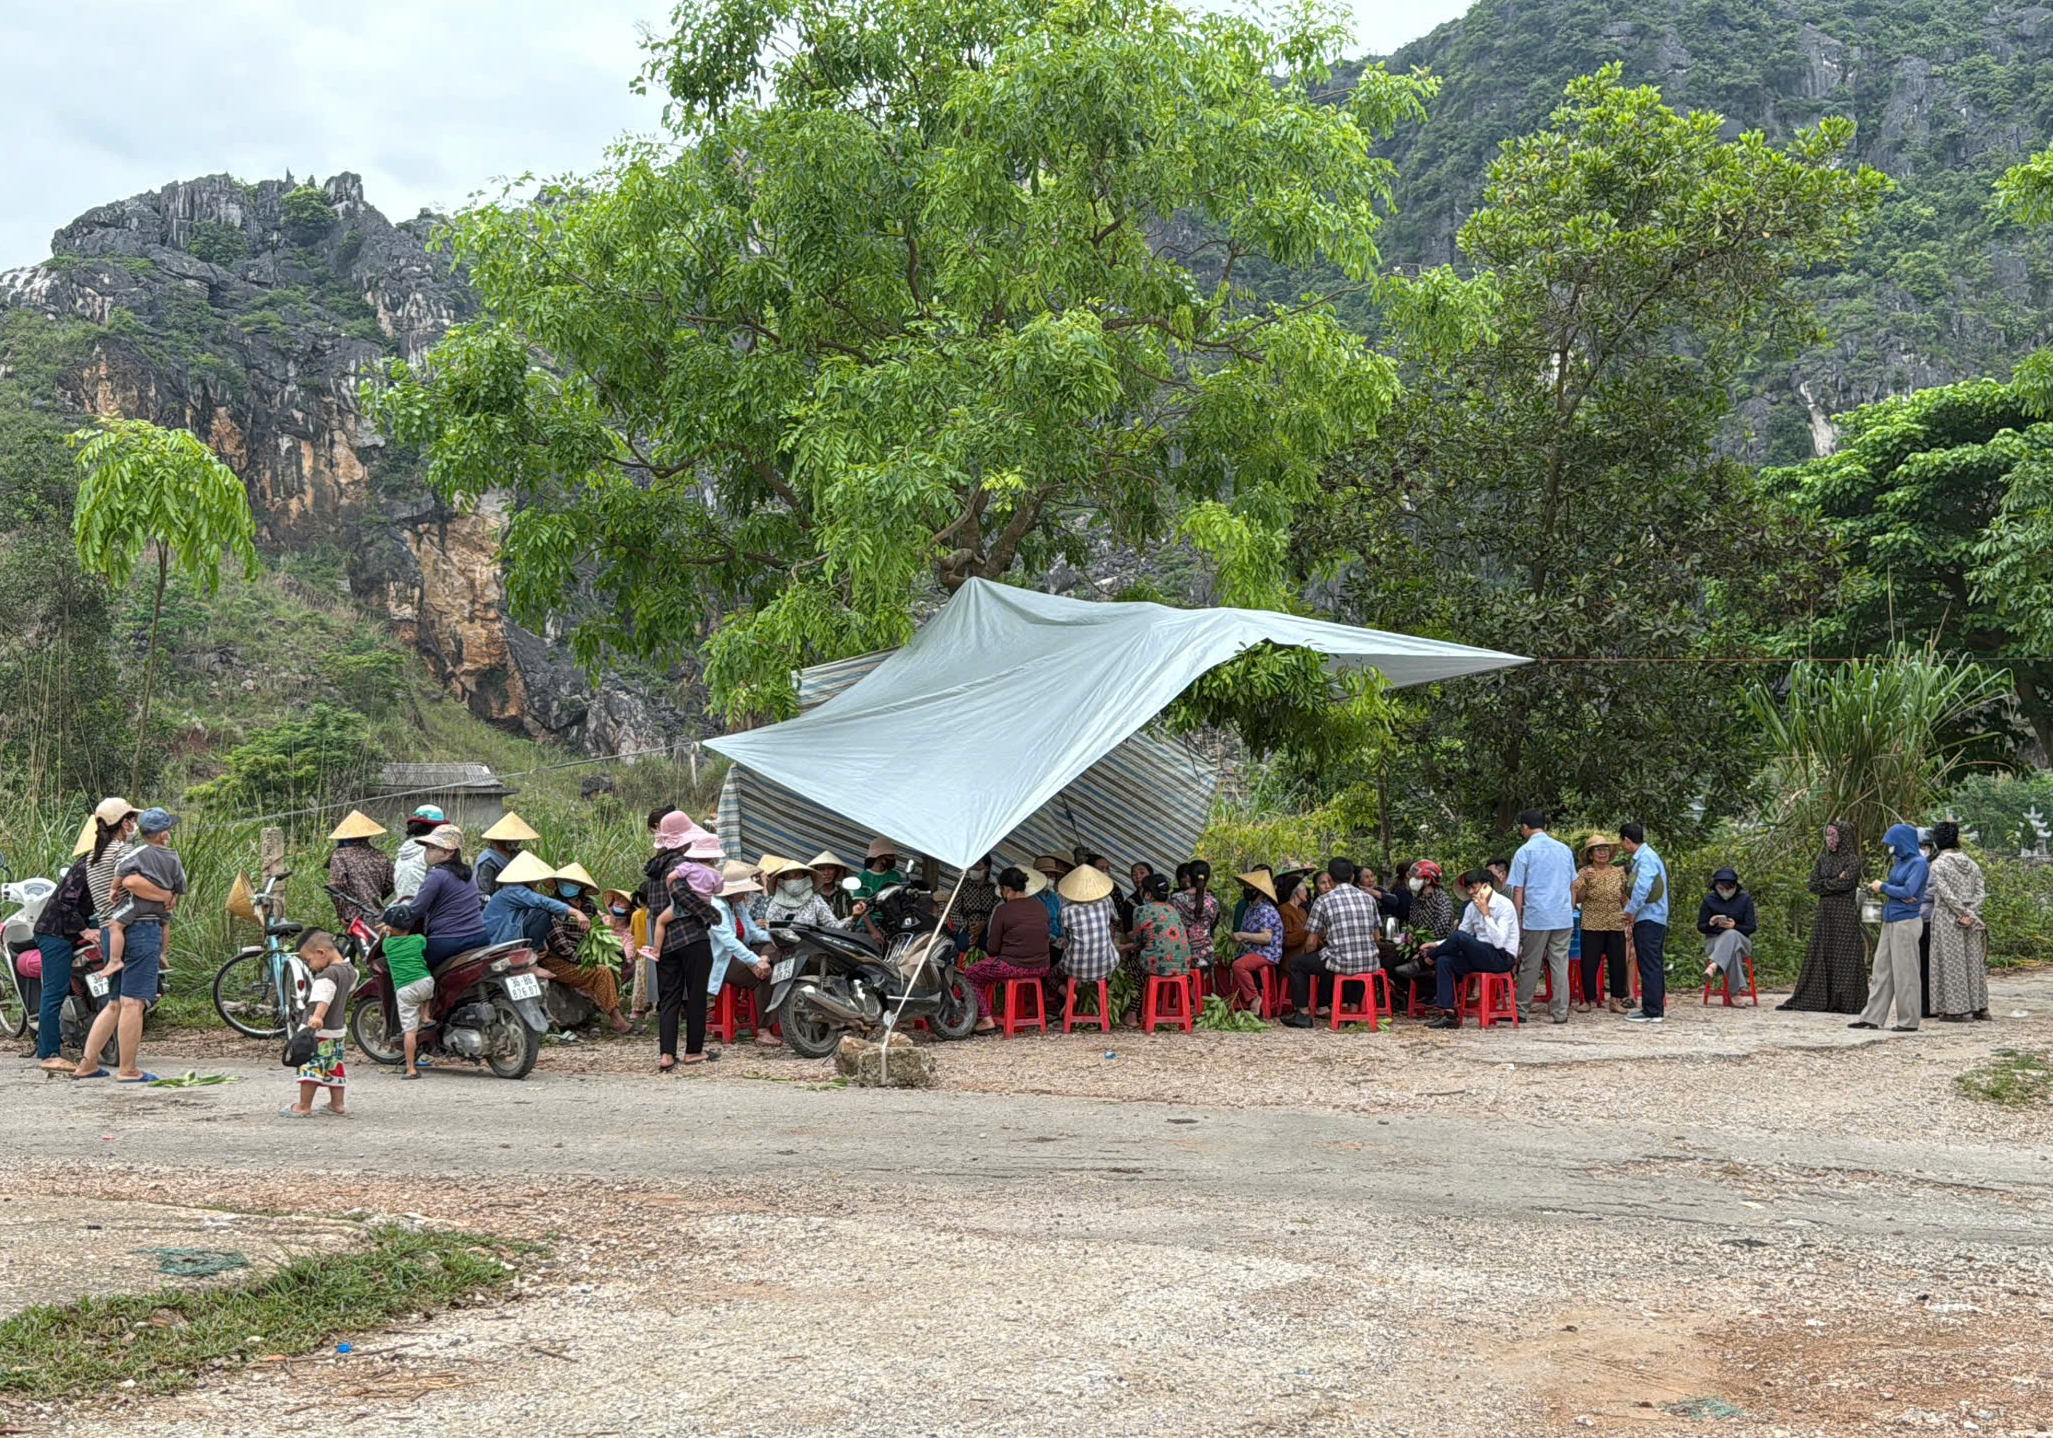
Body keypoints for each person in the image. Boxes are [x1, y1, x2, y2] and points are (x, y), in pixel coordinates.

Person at [73, 807, 185, 1084]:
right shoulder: (123, 852)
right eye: (131, 819)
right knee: (133, 1003)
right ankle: (128, 1069)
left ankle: (87, 1064)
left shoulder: (94, 856)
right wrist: (167, 894)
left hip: (112, 930)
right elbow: (133, 881)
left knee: (114, 1004)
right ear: (124, 824)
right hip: (139, 927)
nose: (134, 824)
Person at [1782, 820, 1868, 1014]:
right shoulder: (1824, 860)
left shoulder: (1852, 860)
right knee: (1821, 952)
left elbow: (1846, 885)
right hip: (1825, 913)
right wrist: (1836, 880)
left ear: (1843, 838)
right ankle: (1818, 997)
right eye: (1828, 835)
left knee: (1843, 955)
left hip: (1844, 914)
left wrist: (1828, 884)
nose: (1829, 839)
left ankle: (1843, 1000)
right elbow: (1813, 885)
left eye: (1833, 835)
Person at [1282, 859, 1380, 1029]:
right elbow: (1377, 937)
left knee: (1297, 964)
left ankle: (1303, 1014)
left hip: (1339, 961)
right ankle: (1352, 1012)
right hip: (1369, 961)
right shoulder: (1369, 899)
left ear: (1332, 880)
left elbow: (1311, 942)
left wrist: (1308, 955)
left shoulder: (1323, 901)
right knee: (1357, 960)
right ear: (1351, 877)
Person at [32, 824, 99, 1072]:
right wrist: (85, 931)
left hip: (69, 929)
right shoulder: (85, 867)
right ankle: (49, 1053)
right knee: (54, 992)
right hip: (55, 932)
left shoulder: (99, 865)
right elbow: (66, 904)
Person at [1852, 823, 1930, 1033]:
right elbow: (1904, 892)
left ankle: (1908, 1020)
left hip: (1906, 922)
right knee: (1881, 970)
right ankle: (1872, 1017)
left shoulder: (1918, 864)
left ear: (1902, 842)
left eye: (1893, 844)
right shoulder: (1899, 862)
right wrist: (1895, 892)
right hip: (1890, 918)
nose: (1891, 848)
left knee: (1906, 973)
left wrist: (1885, 887)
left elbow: (1909, 890)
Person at [535, 864, 631, 1034]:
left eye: (573, 882)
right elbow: (560, 944)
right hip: (557, 960)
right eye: (565, 881)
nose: (568, 884)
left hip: (582, 955)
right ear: (557, 884)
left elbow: (600, 930)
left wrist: (615, 951)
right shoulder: (552, 907)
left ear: (582, 887)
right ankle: (618, 1021)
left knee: (616, 965)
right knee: (601, 972)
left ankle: (602, 1010)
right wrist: (587, 961)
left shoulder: (588, 906)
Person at [1421, 870, 1523, 1029]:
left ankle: (1425, 961)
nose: (1470, 892)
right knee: (1444, 961)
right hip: (1480, 954)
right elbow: (1461, 935)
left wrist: (1486, 914)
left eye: (1473, 888)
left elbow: (1499, 942)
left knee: (1459, 939)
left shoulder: (1505, 905)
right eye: (1468, 888)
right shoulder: (1470, 907)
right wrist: (1437, 944)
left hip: (1501, 957)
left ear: (1486, 886)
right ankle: (1449, 1014)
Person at [652, 860, 723, 1071]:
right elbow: (683, 895)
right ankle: (693, 1051)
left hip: (667, 944)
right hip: (693, 938)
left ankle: (667, 1054)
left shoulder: (656, 866)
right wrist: (707, 912)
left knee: (669, 999)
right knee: (696, 996)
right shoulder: (681, 863)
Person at [1509, 809, 1575, 1025]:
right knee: (1559, 963)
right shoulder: (1564, 850)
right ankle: (1560, 1012)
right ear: (1545, 826)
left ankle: (1521, 1010)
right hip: (1563, 916)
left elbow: (1518, 890)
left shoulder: (1524, 852)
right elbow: (1573, 884)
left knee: (1530, 963)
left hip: (1537, 915)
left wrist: (1517, 919)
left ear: (1525, 828)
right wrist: (1569, 908)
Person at [964, 867, 1050, 1033]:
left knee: (970, 974)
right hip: (1042, 966)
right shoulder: (1040, 907)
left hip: (1013, 967)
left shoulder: (1002, 911)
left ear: (1006, 889)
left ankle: (987, 1020)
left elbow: (992, 949)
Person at [281, 931, 356, 1117]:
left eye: (308, 960)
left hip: (320, 1033)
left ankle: (303, 1106)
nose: (310, 965)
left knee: (310, 1067)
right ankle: (337, 1104)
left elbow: (324, 997)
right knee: (334, 1067)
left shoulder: (327, 976)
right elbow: (348, 989)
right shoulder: (350, 971)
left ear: (321, 953)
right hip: (338, 1031)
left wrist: (317, 1017)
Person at [709, 860, 780, 1047]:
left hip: (745, 955)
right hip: (724, 961)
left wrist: (775, 938)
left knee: (775, 947)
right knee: (766, 977)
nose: (746, 893)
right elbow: (729, 942)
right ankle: (763, 1030)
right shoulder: (717, 907)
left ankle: (765, 960)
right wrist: (754, 960)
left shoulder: (738, 906)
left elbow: (753, 932)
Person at [1925, 821, 1989, 1023]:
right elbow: (1980, 892)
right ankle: (1980, 1007)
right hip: (1970, 919)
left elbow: (1945, 895)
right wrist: (1971, 914)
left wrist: (1961, 913)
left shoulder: (1938, 865)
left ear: (1936, 841)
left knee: (1951, 964)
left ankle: (1957, 1010)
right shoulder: (1971, 864)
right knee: (1973, 962)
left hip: (1947, 918)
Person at [409, 825, 489, 968]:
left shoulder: (436, 875)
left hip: (447, 941)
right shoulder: (467, 874)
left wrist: (395, 919)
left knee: (413, 966)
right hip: (479, 936)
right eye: (427, 847)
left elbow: (416, 910)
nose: (427, 852)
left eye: (432, 848)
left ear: (449, 852)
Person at [1573, 834, 1631, 1014]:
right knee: (1589, 963)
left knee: (1618, 962)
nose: (1602, 853)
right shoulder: (1584, 873)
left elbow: (1623, 897)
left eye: (1605, 849)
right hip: (1592, 923)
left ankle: (1615, 1000)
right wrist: (1586, 884)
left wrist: (1629, 918)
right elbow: (1578, 899)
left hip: (1615, 922)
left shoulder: (1618, 872)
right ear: (1590, 854)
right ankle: (1588, 1000)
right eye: (1598, 850)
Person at [1619, 823, 1670, 1025]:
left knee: (1650, 964)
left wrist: (1630, 911)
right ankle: (1654, 1006)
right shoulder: (1647, 857)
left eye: (1622, 842)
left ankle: (1652, 1010)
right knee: (1652, 963)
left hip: (1650, 917)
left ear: (1627, 840)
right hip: (1651, 917)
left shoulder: (1646, 858)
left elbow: (1642, 888)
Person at [481, 851, 584, 948]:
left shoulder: (517, 890)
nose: (537, 882)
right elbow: (542, 901)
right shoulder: (513, 890)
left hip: (505, 931)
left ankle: (536, 948)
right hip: (498, 936)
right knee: (542, 914)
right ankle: (533, 951)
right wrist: (575, 912)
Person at [379, 903, 436, 1079]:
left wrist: (385, 932)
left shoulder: (387, 945)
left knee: (410, 1031)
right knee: (426, 995)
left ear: (389, 927)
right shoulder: (418, 939)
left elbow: (384, 942)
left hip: (405, 989)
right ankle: (426, 1016)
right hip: (426, 983)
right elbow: (424, 944)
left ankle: (411, 1068)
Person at [1055, 865, 1120, 1002]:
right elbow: (1115, 919)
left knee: (1052, 975)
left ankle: (1069, 996)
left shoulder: (1066, 910)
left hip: (1075, 968)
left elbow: (1067, 938)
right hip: (1106, 964)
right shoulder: (1105, 902)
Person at [646, 812, 723, 918]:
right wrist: (709, 913)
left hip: (659, 917)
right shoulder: (680, 862)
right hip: (681, 925)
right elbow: (679, 892)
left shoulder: (660, 860)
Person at [1228, 870, 1284, 1012]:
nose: (1246, 890)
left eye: (1250, 888)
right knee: (1222, 963)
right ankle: (1232, 1000)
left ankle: (1254, 998)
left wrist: (1243, 935)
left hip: (1266, 952)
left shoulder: (1265, 910)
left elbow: (1266, 938)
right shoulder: (1250, 909)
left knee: (1238, 966)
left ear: (1259, 891)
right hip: (1252, 950)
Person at [325, 810, 393, 927]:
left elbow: (336, 886)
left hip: (354, 917)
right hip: (378, 915)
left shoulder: (340, 855)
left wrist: (341, 914)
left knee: (358, 945)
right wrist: (374, 899)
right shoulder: (380, 855)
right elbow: (391, 883)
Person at [1696, 867, 1758, 994]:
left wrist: (1735, 926)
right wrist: (1710, 924)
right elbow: (1701, 927)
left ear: (1735, 887)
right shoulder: (1709, 900)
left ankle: (1714, 965)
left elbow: (1752, 927)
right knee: (1732, 952)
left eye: (1728, 889)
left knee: (1731, 934)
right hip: (1714, 943)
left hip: (1742, 942)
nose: (1725, 892)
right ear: (1715, 887)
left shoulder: (1744, 899)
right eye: (1721, 889)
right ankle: (1735, 993)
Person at [603, 888, 655, 1021]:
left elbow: (629, 952)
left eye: (622, 902)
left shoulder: (629, 930)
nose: (617, 904)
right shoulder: (604, 921)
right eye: (616, 901)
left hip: (624, 963)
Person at [474, 812, 540, 900]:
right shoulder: (488, 861)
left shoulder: (517, 855)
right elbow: (482, 893)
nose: (518, 842)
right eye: (515, 840)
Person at [1172, 860, 1220, 977]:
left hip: (1180, 954)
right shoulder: (1213, 902)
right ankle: (1197, 993)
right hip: (1206, 955)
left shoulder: (1176, 899)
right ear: (1207, 878)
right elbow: (1212, 923)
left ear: (1188, 877)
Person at [390, 805, 445, 902]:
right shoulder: (432, 852)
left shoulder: (404, 851)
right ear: (435, 829)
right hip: (423, 909)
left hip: (402, 907)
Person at [953, 855, 1002, 951]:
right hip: (966, 928)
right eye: (972, 865)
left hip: (988, 929)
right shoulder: (962, 886)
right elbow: (953, 912)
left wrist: (985, 924)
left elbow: (996, 912)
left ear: (987, 868)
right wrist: (969, 926)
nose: (973, 869)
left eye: (977, 865)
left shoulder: (993, 888)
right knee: (964, 945)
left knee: (989, 946)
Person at [810, 849, 856, 919]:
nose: (826, 873)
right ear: (816, 872)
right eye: (822, 869)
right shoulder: (811, 894)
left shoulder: (845, 894)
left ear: (836, 871)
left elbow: (849, 919)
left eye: (830, 868)